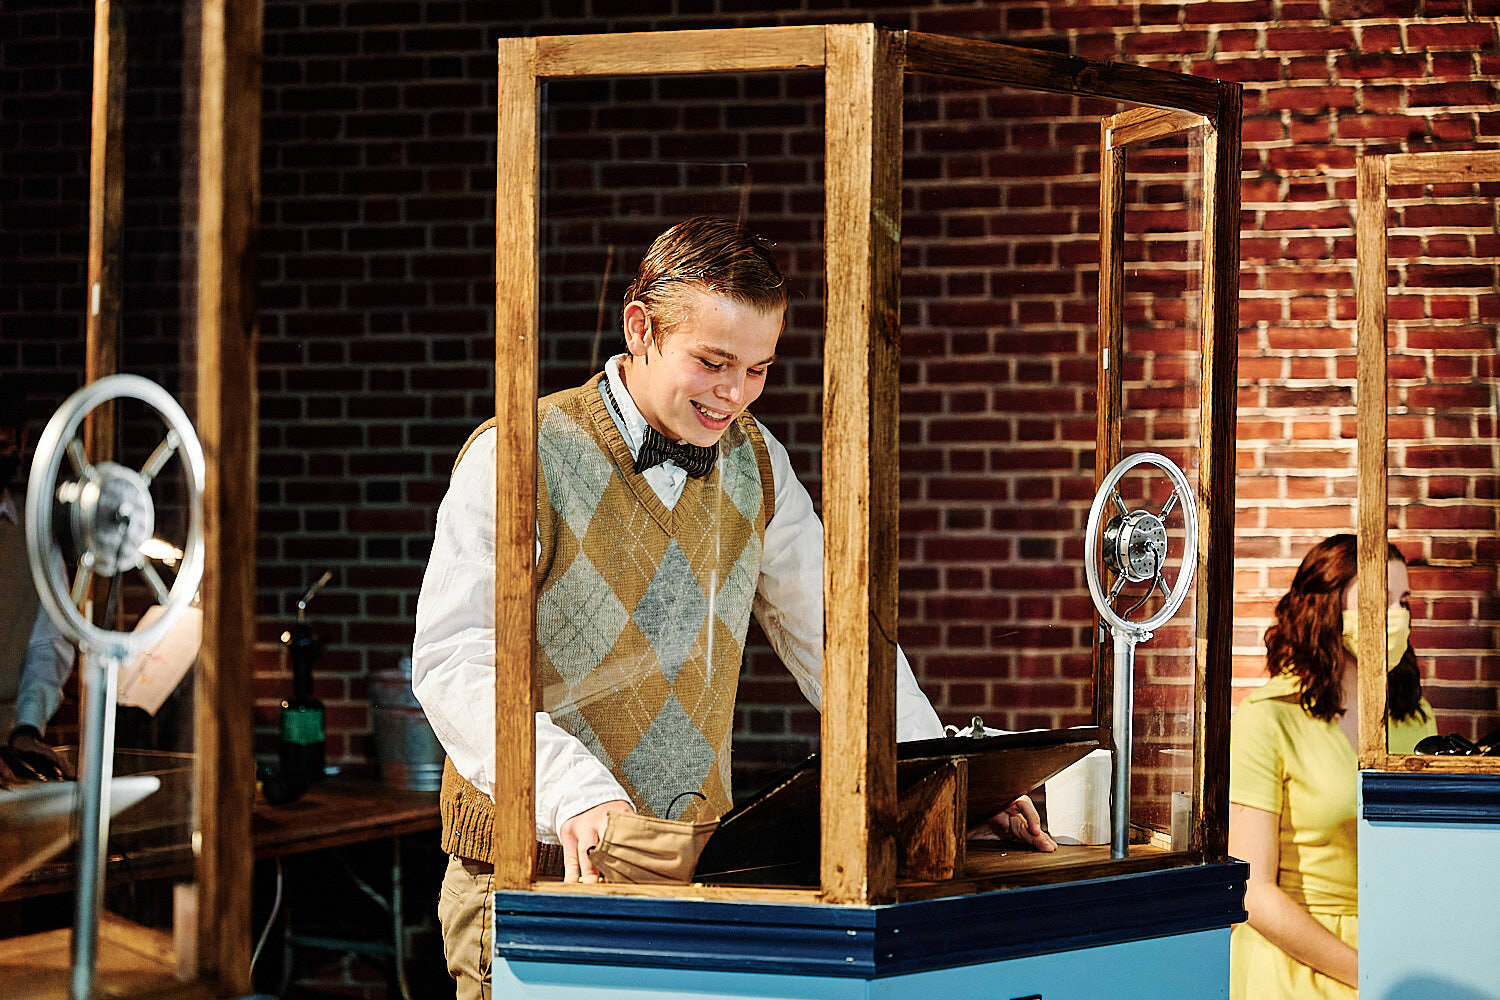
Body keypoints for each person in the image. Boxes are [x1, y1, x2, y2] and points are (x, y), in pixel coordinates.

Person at [413, 216, 1053, 999]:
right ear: (639, 327)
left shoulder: (757, 457)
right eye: (713, 362)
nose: (734, 394)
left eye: (757, 369)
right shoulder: (519, 452)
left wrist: (941, 784)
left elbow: (838, 638)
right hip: (526, 877)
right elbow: (454, 662)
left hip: (696, 883)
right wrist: (576, 793)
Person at [1228, 533, 1437, 999]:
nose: (1397, 616)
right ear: (1326, 608)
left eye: (1403, 601)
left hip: (1398, 952)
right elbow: (1254, 892)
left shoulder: (1415, 720)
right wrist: (1367, 973)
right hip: (1294, 963)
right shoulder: (1266, 719)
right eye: (1380, 599)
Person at [0, 377, 75, 782]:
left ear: (22, 440)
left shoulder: (34, 537)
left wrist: (27, 729)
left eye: (2, 443)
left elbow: (48, 644)